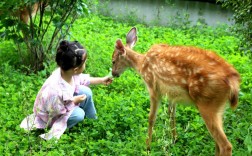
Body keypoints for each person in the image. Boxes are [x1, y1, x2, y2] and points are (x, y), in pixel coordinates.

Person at [20, 40, 113, 140]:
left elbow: (83, 79)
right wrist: (74, 101)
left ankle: (92, 121)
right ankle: (53, 133)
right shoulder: (55, 91)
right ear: (76, 69)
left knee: (86, 92)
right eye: (84, 63)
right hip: (52, 115)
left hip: (65, 100)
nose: (86, 64)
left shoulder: (68, 73)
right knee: (79, 114)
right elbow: (56, 111)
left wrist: (101, 80)